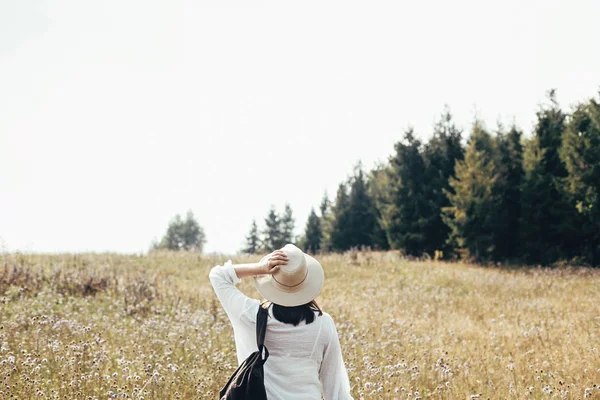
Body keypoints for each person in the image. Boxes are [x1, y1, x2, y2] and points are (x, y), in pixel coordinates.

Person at [209, 243, 354, 399]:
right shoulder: (323, 323)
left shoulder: (251, 315)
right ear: (307, 281)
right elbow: (335, 385)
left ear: (271, 280)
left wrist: (260, 268)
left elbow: (218, 276)